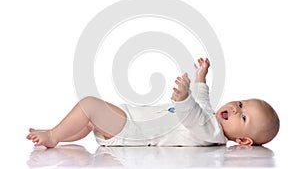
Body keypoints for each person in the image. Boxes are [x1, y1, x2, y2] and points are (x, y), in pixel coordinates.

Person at [26, 57, 280, 148]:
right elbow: (202, 105)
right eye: (242, 103)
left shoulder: (212, 133)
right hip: (132, 123)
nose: (236, 109)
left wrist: (183, 98)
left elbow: (191, 115)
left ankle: (53, 135)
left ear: (243, 141)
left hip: (133, 131)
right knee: (88, 121)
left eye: (243, 117)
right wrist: (202, 78)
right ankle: (62, 136)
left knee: (89, 105)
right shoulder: (212, 120)